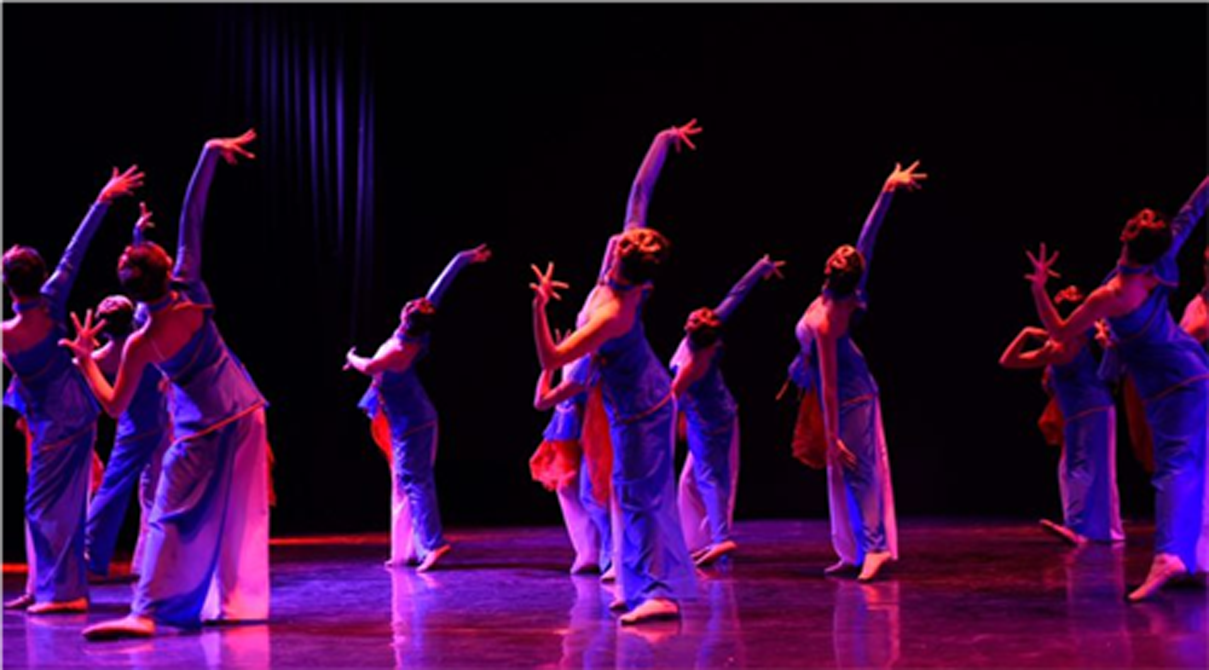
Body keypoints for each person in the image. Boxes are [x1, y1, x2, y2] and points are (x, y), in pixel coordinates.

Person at [64, 130, 272, 638]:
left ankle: (149, 612)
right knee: (232, 512)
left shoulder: (143, 339)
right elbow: (191, 216)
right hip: (246, 410)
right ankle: (233, 602)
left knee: (169, 513)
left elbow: (114, 405)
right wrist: (208, 152)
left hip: (205, 426)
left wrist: (87, 360)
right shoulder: (188, 286)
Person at [528, 120, 702, 626]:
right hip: (626, 404)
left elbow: (552, 357)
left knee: (642, 497)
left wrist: (538, 307)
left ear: (628, 266)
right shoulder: (616, 280)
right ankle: (633, 584)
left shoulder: (614, 312)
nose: (614, 244)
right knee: (622, 493)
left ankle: (659, 592)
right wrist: (663, 140)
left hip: (646, 406)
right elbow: (639, 193)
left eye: (622, 247)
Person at [1023, 175, 1209, 601]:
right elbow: (1191, 211)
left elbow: (1061, 331)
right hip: (1189, 374)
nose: (1146, 216)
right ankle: (1193, 558)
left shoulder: (1113, 294)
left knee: (1175, 467)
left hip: (1173, 385)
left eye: (1142, 219)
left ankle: (1169, 556)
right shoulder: (1161, 262)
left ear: (1125, 234)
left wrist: (1038, 289)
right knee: (1192, 466)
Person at [2, 165, 144, 614]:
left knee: (51, 508)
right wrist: (102, 199)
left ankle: (66, 594)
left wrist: (102, 200)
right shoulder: (48, 303)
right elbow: (74, 252)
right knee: (45, 506)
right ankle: (42, 585)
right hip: (57, 416)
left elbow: (73, 254)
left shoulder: (13, 328)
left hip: (61, 419)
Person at [787, 161, 926, 582]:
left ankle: (876, 548)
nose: (843, 252)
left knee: (859, 469)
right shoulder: (837, 296)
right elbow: (868, 240)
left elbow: (831, 385)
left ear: (836, 271)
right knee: (841, 475)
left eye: (844, 257)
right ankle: (852, 550)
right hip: (838, 394)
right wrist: (886, 190)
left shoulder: (829, 318)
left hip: (852, 397)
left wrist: (832, 434)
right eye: (842, 253)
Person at [345, 244, 491, 572]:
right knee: (403, 482)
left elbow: (368, 366)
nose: (417, 301)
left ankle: (434, 544)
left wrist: (351, 357)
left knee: (415, 480)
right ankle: (406, 550)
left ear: (406, 316)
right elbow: (438, 290)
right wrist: (463, 259)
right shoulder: (413, 331)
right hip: (405, 422)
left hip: (415, 423)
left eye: (415, 304)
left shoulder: (400, 348)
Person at [671, 254, 784, 566]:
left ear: (690, 328)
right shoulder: (707, 336)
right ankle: (702, 539)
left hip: (708, 422)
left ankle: (720, 538)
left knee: (708, 476)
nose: (699, 312)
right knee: (692, 481)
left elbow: (672, 396)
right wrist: (761, 268)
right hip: (719, 413)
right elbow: (735, 296)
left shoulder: (692, 363)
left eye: (698, 316)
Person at [83, 203, 173, 579]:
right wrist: (138, 237)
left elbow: (139, 281)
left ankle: (95, 553)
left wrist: (82, 356)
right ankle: (139, 558)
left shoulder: (108, 353)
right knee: (144, 490)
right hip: (157, 424)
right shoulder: (139, 335)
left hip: (143, 428)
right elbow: (142, 283)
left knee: (126, 489)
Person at [999, 285, 1124, 545]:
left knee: (1084, 471)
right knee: (1076, 470)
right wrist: (1026, 332)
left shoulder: (1067, 345)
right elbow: (1007, 361)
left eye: (1071, 295)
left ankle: (1083, 529)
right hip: (1081, 413)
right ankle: (1095, 530)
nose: (1067, 291)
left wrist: (1038, 294)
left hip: (1093, 409)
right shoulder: (1063, 343)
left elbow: (1011, 360)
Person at [530, 345, 611, 574]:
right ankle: (589, 551)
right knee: (566, 487)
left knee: (592, 492)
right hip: (570, 427)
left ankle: (610, 553)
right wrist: (549, 368)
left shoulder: (592, 358)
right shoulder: (575, 360)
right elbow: (543, 400)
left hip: (594, 428)